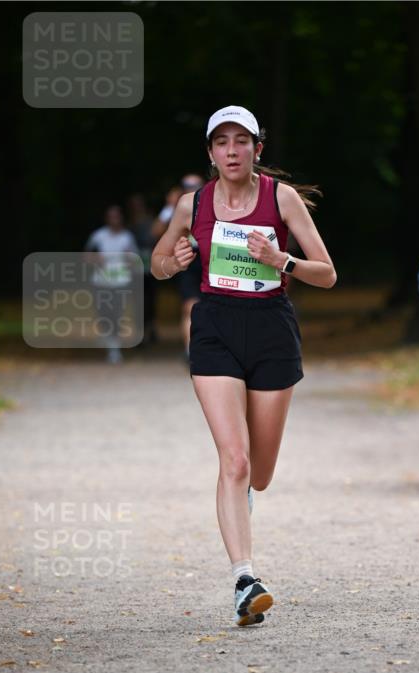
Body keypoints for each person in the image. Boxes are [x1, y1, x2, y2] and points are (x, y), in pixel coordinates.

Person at [151, 106, 336, 626]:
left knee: (260, 473)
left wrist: (282, 262)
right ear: (210, 153)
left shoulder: (282, 198)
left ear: (258, 148)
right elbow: (158, 263)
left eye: (241, 141)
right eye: (221, 142)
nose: (231, 151)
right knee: (233, 461)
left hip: (273, 330)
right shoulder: (194, 204)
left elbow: (327, 273)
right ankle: (244, 579)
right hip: (215, 331)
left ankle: (245, 508)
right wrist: (174, 263)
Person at [153, 175, 205, 359]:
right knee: (190, 307)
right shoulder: (178, 209)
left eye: (195, 185)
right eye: (187, 186)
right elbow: (156, 232)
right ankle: (191, 351)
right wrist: (169, 207)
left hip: (210, 259)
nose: (191, 188)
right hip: (187, 261)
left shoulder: (212, 202)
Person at [84, 205, 140, 364]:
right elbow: (87, 257)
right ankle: (108, 339)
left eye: (117, 216)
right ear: (107, 219)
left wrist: (129, 259)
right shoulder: (98, 236)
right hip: (100, 281)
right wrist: (97, 259)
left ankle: (114, 349)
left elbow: (135, 259)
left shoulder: (127, 237)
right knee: (103, 312)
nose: (114, 219)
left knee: (117, 312)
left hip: (121, 281)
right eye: (111, 216)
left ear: (121, 218)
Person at [126, 193, 158, 345]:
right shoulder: (128, 224)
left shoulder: (151, 221)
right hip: (134, 266)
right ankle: (140, 330)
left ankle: (150, 327)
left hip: (150, 264)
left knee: (151, 298)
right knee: (138, 299)